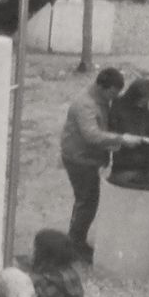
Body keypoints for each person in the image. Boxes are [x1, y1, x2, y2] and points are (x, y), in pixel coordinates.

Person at [60, 67, 131, 256]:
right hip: (79, 159)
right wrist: (121, 139)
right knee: (87, 201)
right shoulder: (85, 105)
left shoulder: (101, 99)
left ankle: (74, 239)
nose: (114, 98)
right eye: (112, 93)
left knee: (85, 200)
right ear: (101, 86)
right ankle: (75, 243)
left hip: (88, 158)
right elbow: (92, 135)